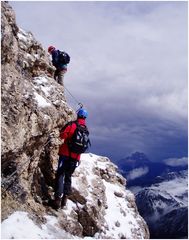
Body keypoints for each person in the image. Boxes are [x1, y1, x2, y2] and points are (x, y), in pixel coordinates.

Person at [52, 108, 89, 210]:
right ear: (85, 117)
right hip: (75, 158)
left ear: (78, 115)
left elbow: (63, 135)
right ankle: (65, 200)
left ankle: (57, 200)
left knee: (60, 175)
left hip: (65, 155)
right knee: (68, 176)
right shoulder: (85, 129)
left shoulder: (72, 125)